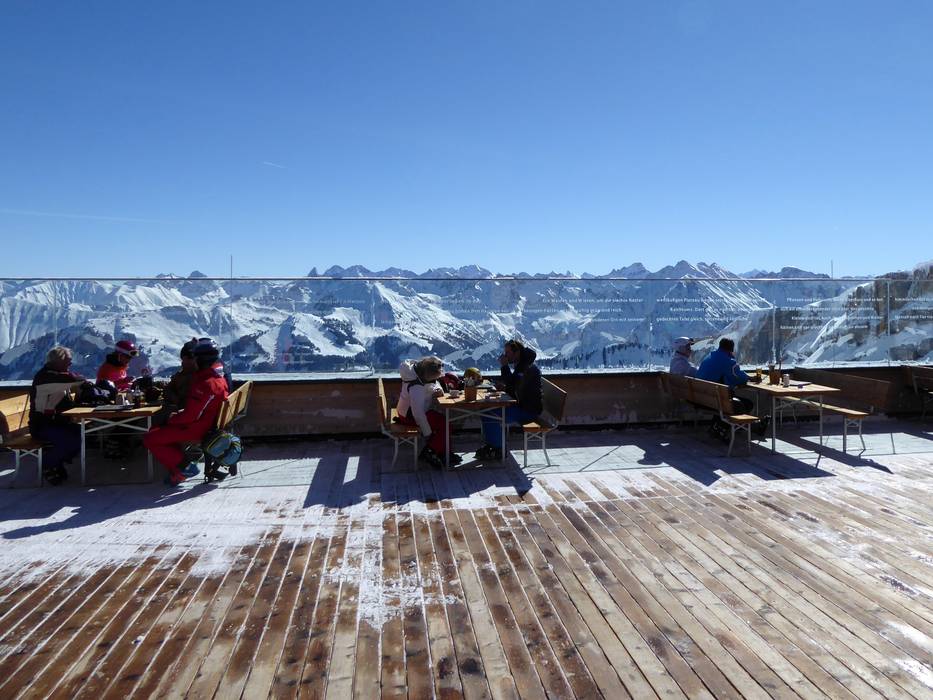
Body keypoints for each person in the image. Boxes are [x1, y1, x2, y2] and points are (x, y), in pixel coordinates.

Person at [143, 337, 229, 485]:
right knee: (159, 431)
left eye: (194, 358)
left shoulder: (206, 384)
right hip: (207, 424)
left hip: (198, 429)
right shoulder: (216, 379)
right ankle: (179, 471)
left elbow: (190, 416)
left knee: (150, 437)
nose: (192, 361)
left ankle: (186, 467)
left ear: (201, 360)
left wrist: (171, 418)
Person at [476, 339, 543, 461]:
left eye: (507, 352)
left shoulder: (525, 367)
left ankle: (499, 449)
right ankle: (493, 445)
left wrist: (504, 366)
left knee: (489, 414)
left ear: (517, 352)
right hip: (524, 406)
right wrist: (505, 388)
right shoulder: (523, 364)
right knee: (486, 411)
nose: (505, 355)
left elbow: (513, 383)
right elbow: (516, 386)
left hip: (528, 411)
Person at [29, 346, 83, 485]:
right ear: (57, 361)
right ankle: (48, 464)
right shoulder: (46, 378)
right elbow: (74, 379)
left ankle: (57, 461)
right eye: (67, 360)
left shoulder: (54, 375)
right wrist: (81, 381)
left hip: (57, 422)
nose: (70, 363)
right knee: (70, 440)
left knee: (83, 434)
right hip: (42, 425)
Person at [696, 337, 768, 439]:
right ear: (731, 349)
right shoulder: (727, 361)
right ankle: (754, 427)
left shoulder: (709, 357)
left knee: (729, 401)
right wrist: (749, 378)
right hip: (716, 400)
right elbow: (738, 377)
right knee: (745, 404)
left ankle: (718, 427)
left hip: (702, 398)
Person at [395, 355, 457, 469]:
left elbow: (433, 382)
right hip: (410, 416)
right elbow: (418, 414)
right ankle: (431, 451)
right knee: (445, 424)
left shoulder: (417, 371)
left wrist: (438, 389)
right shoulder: (416, 387)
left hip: (405, 411)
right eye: (433, 378)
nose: (435, 380)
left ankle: (443, 452)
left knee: (444, 423)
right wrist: (427, 433)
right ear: (427, 376)